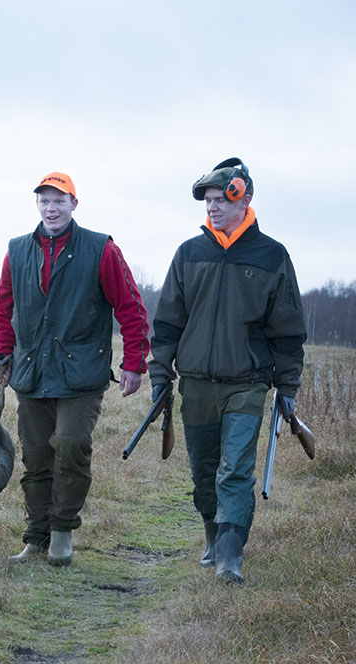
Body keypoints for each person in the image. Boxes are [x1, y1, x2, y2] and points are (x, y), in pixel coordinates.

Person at [148, 158, 306, 584]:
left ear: (244, 199)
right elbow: (168, 322)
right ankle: (213, 536)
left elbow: (288, 330)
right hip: (197, 383)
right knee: (204, 472)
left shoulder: (272, 256)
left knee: (235, 470)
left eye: (220, 199)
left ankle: (229, 557)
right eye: (208, 201)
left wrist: (288, 386)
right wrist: (160, 375)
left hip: (247, 383)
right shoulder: (189, 253)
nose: (213, 207)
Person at [0, 171, 150, 567]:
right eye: (44, 200)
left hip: (81, 375)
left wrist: (134, 363)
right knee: (36, 457)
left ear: (73, 204)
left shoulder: (101, 249)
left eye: (59, 200)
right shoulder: (17, 250)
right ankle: (36, 539)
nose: (51, 208)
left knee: (71, 447)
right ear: (37, 205)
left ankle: (62, 534)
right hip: (31, 373)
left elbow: (130, 308)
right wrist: (0, 355)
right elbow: (2, 310)